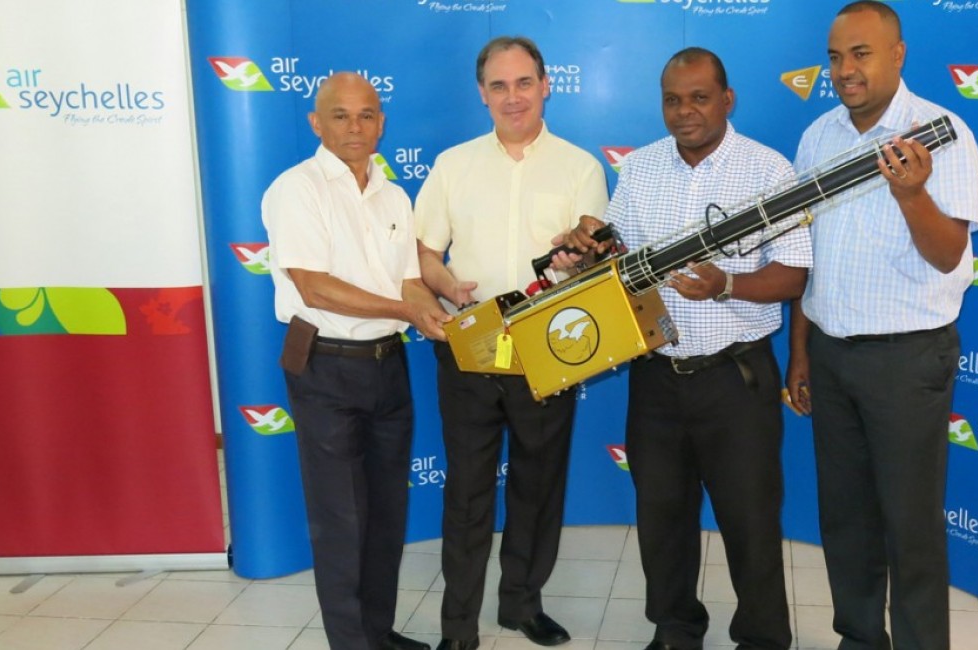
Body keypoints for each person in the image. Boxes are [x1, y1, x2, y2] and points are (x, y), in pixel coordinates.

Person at [562, 47, 810, 650]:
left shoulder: (768, 171)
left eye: (699, 97)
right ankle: (675, 629)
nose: (685, 111)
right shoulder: (641, 169)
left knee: (750, 521)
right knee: (662, 518)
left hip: (736, 378)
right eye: (672, 100)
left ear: (727, 100)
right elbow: (619, 262)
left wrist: (727, 284)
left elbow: (795, 273)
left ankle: (763, 638)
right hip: (656, 377)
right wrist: (586, 256)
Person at [784, 2, 978, 650]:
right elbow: (808, 260)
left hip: (906, 361)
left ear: (898, 54)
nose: (845, 70)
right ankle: (860, 638)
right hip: (833, 354)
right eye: (836, 56)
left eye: (861, 54)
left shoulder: (942, 132)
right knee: (846, 520)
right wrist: (803, 353)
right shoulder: (817, 138)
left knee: (911, 527)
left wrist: (911, 194)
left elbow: (950, 253)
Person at [413, 36, 609, 650]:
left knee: (538, 483)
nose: (513, 97)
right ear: (482, 94)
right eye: (499, 86)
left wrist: (578, 256)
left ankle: (522, 604)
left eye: (524, 82)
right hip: (469, 344)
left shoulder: (580, 167)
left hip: (545, 345)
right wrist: (444, 282)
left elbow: (593, 257)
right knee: (467, 493)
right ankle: (458, 629)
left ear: (546, 84)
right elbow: (422, 250)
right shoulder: (453, 164)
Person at [261, 72, 441, 650]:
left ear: (382, 123)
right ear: (317, 123)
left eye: (366, 115)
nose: (355, 127)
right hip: (326, 366)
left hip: (389, 364)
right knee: (342, 519)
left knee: (387, 513)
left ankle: (377, 633)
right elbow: (314, 287)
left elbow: (412, 284)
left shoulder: (394, 195)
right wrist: (403, 309)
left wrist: (440, 317)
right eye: (341, 116)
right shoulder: (298, 189)